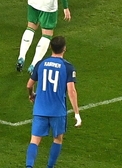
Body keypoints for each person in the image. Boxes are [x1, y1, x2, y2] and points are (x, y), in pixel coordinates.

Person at [25, 35, 81, 168]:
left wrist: (32, 94)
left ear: (50, 47)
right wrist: (77, 113)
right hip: (57, 111)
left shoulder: (40, 64)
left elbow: (29, 85)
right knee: (57, 139)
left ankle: (29, 166)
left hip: (40, 109)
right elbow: (71, 91)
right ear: (64, 49)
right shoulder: (68, 67)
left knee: (34, 140)